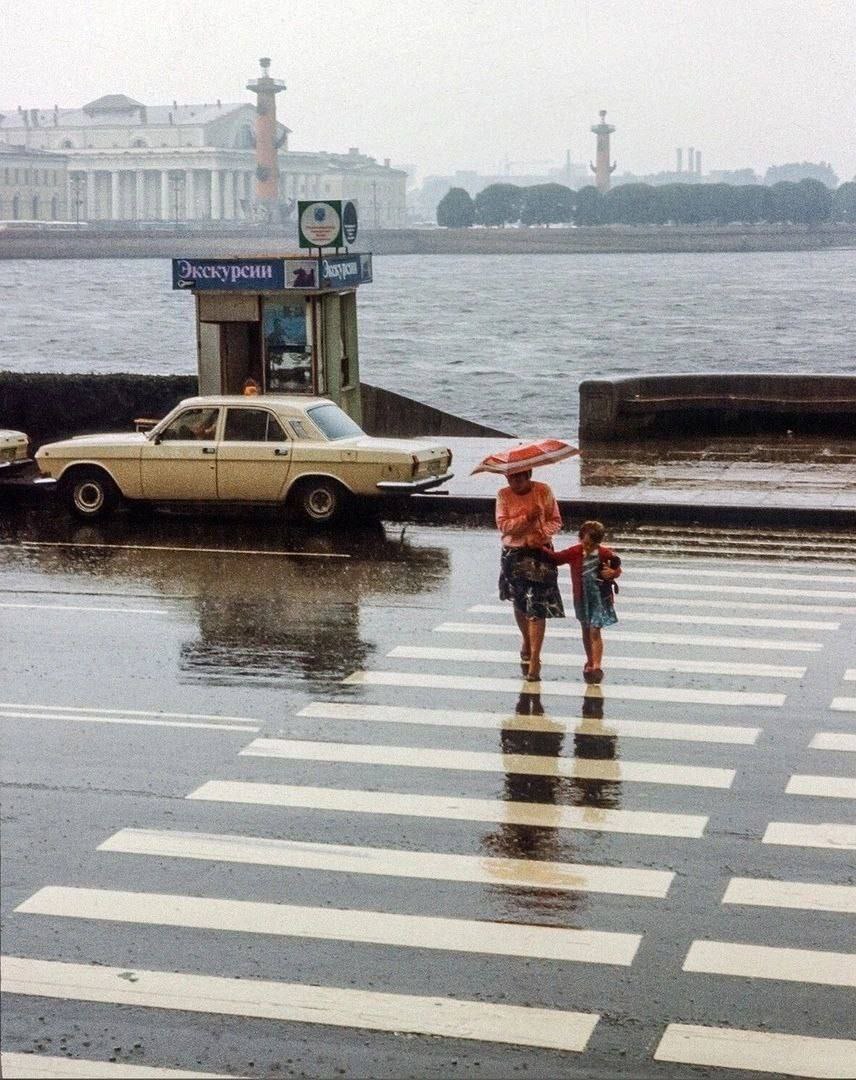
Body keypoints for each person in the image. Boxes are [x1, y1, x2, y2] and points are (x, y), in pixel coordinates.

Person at [496, 468, 565, 682]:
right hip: (514, 554)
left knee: (537, 606)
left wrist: (541, 533)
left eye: (519, 476)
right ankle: (527, 639)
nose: (514, 482)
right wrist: (526, 518)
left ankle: (535, 657)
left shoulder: (543, 491)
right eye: (510, 477)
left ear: (529, 475)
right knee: (519, 602)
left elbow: (556, 520)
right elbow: (503, 526)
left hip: (540, 554)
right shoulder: (503, 495)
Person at [546, 520, 621, 684]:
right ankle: (590, 659)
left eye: (592, 544)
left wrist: (613, 573)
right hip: (581, 598)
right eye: (585, 543)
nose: (588, 547)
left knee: (595, 630)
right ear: (580, 539)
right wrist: (539, 547)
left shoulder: (604, 554)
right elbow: (556, 558)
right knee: (586, 629)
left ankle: (596, 665)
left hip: (599, 598)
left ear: (598, 542)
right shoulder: (575, 552)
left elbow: (616, 568)